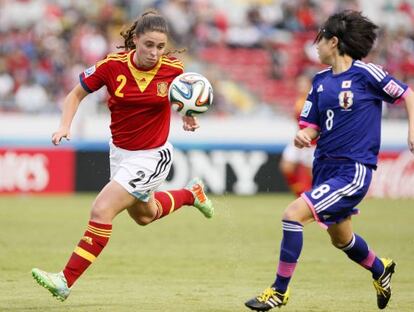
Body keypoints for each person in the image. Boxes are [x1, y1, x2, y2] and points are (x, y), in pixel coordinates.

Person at [31, 9, 214, 302]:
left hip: (152, 155)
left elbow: (185, 100)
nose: (155, 53)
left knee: (101, 210)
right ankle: (191, 194)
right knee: (144, 215)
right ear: (135, 40)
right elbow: (75, 94)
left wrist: (189, 116)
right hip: (120, 154)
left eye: (160, 47)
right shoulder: (111, 66)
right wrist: (65, 125)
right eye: (149, 45)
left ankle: (64, 280)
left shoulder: (173, 70)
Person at [245, 10, 414, 311]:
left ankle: (278, 291)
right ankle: (381, 269)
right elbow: (311, 124)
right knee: (342, 240)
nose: (316, 47)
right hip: (324, 167)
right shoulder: (320, 80)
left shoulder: (367, 74)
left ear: (333, 42)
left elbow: (408, 94)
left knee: (292, 215)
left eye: (319, 41)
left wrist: (412, 131)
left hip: (353, 170)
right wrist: (304, 135)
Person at [279, 74, 314, 197]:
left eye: (303, 84)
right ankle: (300, 193)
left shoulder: (314, 100)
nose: (300, 86)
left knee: (312, 174)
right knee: (286, 167)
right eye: (299, 84)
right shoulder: (299, 101)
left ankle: (315, 199)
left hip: (312, 143)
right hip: (299, 139)